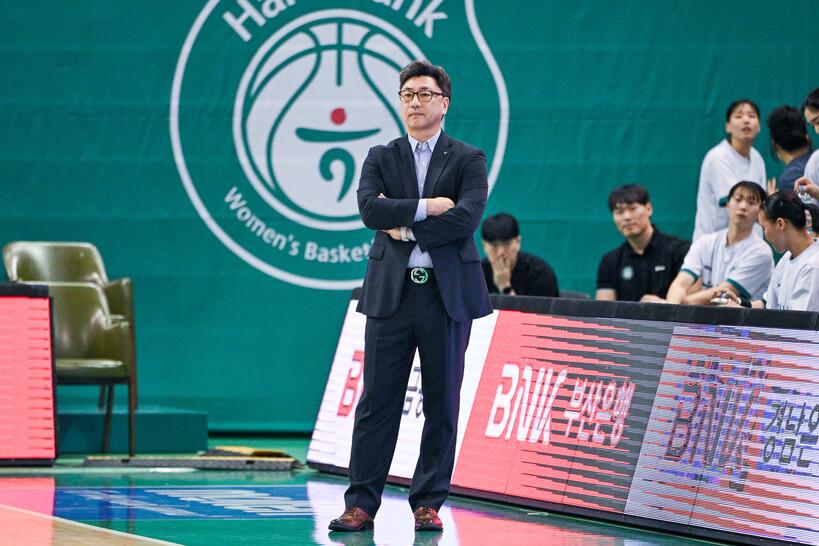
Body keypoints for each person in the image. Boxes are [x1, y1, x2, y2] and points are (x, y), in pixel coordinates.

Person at [329, 60, 491, 534]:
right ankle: (361, 504)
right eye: (407, 94)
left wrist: (402, 225)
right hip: (391, 295)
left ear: (444, 103)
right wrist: (427, 207)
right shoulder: (382, 156)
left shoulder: (468, 158)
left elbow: (467, 218)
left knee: (442, 403)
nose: (415, 102)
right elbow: (368, 210)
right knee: (377, 401)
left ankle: (427, 502)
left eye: (424, 94)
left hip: (445, 296)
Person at [666, 181, 773, 305]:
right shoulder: (705, 242)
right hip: (704, 315)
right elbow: (680, 283)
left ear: (760, 212)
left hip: (743, 317)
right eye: (738, 199)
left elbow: (725, 292)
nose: (743, 206)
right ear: (727, 204)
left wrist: (679, 305)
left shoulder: (761, 253)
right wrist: (671, 307)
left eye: (751, 202)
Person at [596, 185, 690, 302]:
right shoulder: (609, 261)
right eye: (619, 212)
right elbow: (604, 308)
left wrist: (665, 305)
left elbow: (693, 301)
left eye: (632, 209)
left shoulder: (679, 250)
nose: (627, 217)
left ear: (649, 209)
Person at [693, 99, 766, 241]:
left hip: (751, 244)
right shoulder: (718, 157)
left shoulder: (757, 158)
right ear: (728, 126)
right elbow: (738, 203)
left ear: (759, 126)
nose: (746, 120)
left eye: (751, 116)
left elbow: (759, 203)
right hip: (715, 245)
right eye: (739, 116)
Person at [749, 191, 819, 311]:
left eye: (764, 228)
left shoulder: (813, 266)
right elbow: (768, 306)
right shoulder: (787, 257)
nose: (764, 234)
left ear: (780, 224)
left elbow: (799, 322)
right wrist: (738, 305)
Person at [480, 212, 559, 297]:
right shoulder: (477, 273)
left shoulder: (541, 273)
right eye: (494, 245)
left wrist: (505, 287)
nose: (501, 252)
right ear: (484, 246)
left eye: (507, 244)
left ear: (518, 242)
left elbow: (538, 306)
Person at [766, 105, 811, 194]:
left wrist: (775, 200)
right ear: (807, 138)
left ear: (774, 144)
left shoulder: (789, 179)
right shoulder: (815, 162)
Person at [794, 88, 819, 198]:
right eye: (813, 126)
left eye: (818, 122)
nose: (817, 131)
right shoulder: (815, 161)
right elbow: (807, 204)